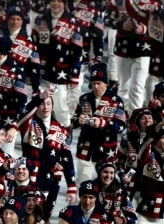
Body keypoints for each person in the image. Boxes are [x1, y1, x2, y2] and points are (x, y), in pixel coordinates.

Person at [31, 0, 83, 129]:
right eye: (53, 1)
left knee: (60, 106)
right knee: (42, 105)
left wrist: (75, 75)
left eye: (59, 1)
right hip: (42, 71)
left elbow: (77, 51)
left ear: (64, 3)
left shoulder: (73, 21)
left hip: (61, 72)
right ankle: (44, 134)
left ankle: (64, 131)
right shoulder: (40, 19)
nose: (56, 4)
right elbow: (34, 45)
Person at [72, 63, 126, 183]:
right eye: (93, 83)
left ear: (106, 83)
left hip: (106, 153)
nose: (96, 87)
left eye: (99, 83)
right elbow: (73, 121)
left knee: (103, 190)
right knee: (83, 185)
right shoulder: (84, 99)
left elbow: (121, 126)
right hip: (85, 149)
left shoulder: (116, 101)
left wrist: (102, 123)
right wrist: (79, 120)